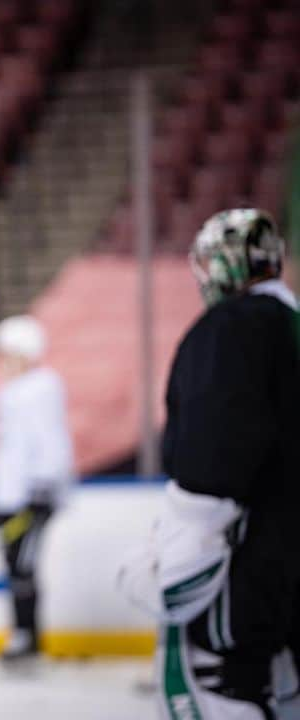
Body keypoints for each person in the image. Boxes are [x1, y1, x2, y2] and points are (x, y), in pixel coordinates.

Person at [148, 208, 300, 719]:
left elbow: (213, 451)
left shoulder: (233, 328)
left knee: (217, 684)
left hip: (253, 560)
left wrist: (187, 540)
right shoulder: (292, 326)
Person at [0, 315, 74, 662]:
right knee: (13, 565)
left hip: (32, 496)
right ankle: (22, 634)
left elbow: (52, 441)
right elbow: (9, 450)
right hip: (10, 497)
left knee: (24, 566)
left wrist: (43, 487)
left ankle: (28, 636)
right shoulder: (11, 391)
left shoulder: (43, 387)